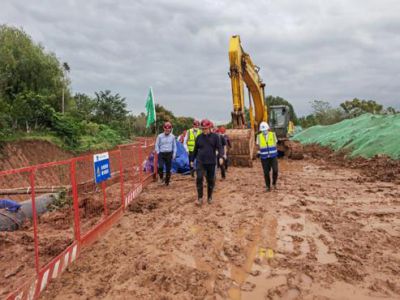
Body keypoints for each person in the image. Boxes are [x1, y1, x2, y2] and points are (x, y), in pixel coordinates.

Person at [190, 119, 223, 206]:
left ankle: (209, 197)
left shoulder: (215, 137)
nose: (204, 130)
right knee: (199, 178)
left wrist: (220, 157)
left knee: (210, 181)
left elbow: (220, 147)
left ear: (209, 128)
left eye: (205, 128)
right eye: (203, 128)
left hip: (211, 162)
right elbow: (195, 150)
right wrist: (192, 160)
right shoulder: (199, 137)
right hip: (200, 161)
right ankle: (200, 198)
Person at [256, 122, 278, 192]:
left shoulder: (273, 135)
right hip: (264, 158)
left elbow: (275, 144)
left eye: (265, 130)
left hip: (273, 156)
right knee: (266, 173)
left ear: (268, 129)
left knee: (275, 170)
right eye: (263, 130)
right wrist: (258, 152)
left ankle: (274, 183)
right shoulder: (259, 137)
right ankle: (268, 187)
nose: (264, 131)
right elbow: (258, 147)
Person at [155, 121, 177, 186]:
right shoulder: (159, 136)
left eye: (169, 128)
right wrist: (158, 152)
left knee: (168, 169)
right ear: (163, 128)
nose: (167, 129)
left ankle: (167, 182)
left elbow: (174, 146)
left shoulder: (172, 137)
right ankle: (161, 178)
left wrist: (174, 154)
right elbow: (156, 145)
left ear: (170, 129)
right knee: (160, 167)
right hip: (161, 153)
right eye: (166, 128)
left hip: (169, 154)